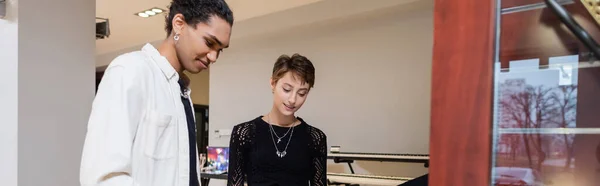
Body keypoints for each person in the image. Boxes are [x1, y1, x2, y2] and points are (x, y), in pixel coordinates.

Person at [79, 0, 233, 185]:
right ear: (179, 24)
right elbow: (103, 177)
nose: (213, 57)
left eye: (220, 50)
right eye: (209, 42)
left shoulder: (181, 92)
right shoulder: (130, 71)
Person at [227, 54, 328, 186]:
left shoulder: (315, 138)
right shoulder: (244, 133)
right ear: (273, 83)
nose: (293, 99)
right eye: (287, 89)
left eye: (302, 93)